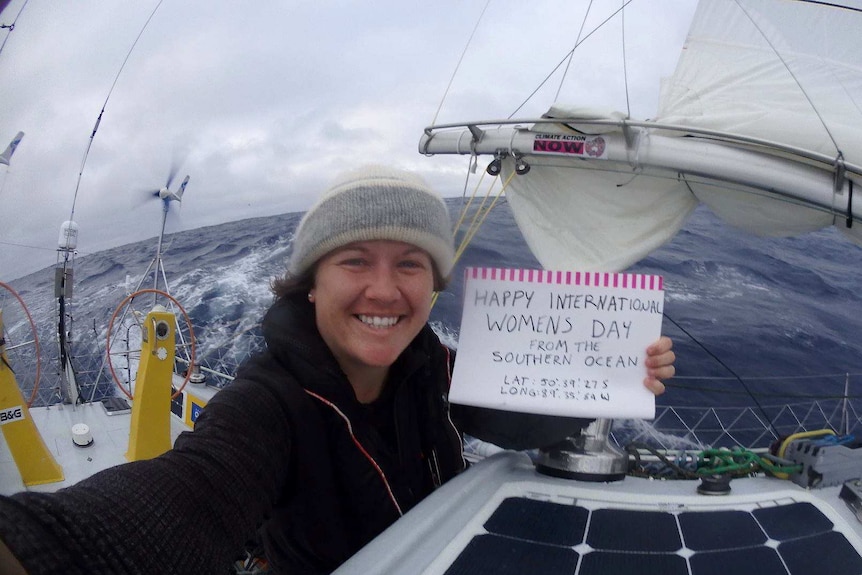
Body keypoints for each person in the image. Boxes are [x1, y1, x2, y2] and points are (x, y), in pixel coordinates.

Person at [0, 165, 675, 575]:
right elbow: (194, 491)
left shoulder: (432, 362)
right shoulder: (269, 402)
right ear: (310, 284)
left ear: (432, 283)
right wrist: (44, 548)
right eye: (354, 260)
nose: (385, 290)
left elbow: (506, 413)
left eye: (409, 264)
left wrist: (605, 380)